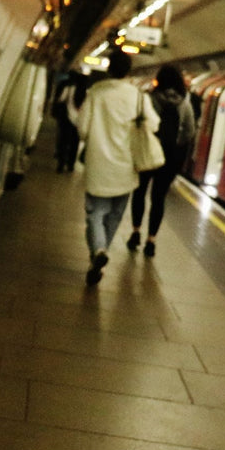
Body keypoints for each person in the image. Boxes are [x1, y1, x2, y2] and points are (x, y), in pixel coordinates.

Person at [74, 51, 157, 286]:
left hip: (98, 165)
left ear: (109, 69)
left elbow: (82, 129)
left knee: (95, 214)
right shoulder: (139, 97)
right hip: (126, 167)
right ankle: (99, 255)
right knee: (114, 217)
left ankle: (99, 252)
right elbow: (153, 124)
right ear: (128, 72)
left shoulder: (96, 93)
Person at [126, 64, 196, 257]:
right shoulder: (184, 103)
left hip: (147, 152)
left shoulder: (149, 99)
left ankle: (135, 232)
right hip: (169, 158)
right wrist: (174, 144)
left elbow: (138, 124)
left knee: (139, 193)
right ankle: (151, 241)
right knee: (158, 198)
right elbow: (190, 132)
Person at [51, 71, 85, 172]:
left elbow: (61, 99)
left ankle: (61, 164)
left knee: (64, 141)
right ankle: (71, 164)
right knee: (75, 143)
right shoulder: (85, 92)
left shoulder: (69, 88)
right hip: (78, 121)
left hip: (66, 119)